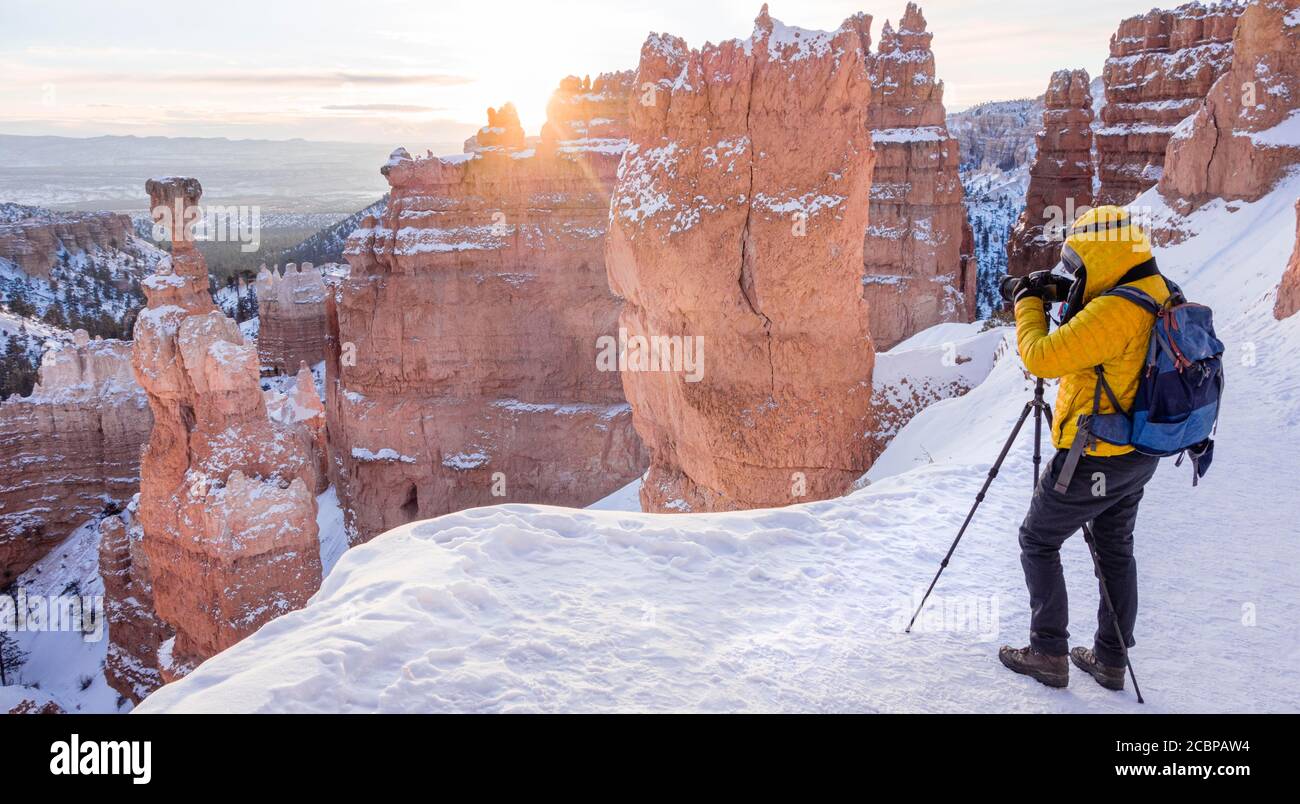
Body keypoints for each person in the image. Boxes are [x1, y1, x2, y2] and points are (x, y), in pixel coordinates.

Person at [998, 206, 1171, 691]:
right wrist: (1056, 287)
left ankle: (1047, 652)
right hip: (1141, 451)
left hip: (1097, 455)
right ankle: (1110, 660)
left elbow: (1041, 357)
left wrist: (1029, 301)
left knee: (1038, 539)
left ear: (1102, 254)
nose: (1073, 270)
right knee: (1115, 548)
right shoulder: (1156, 289)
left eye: (1078, 261)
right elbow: (1097, 304)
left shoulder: (1115, 312)